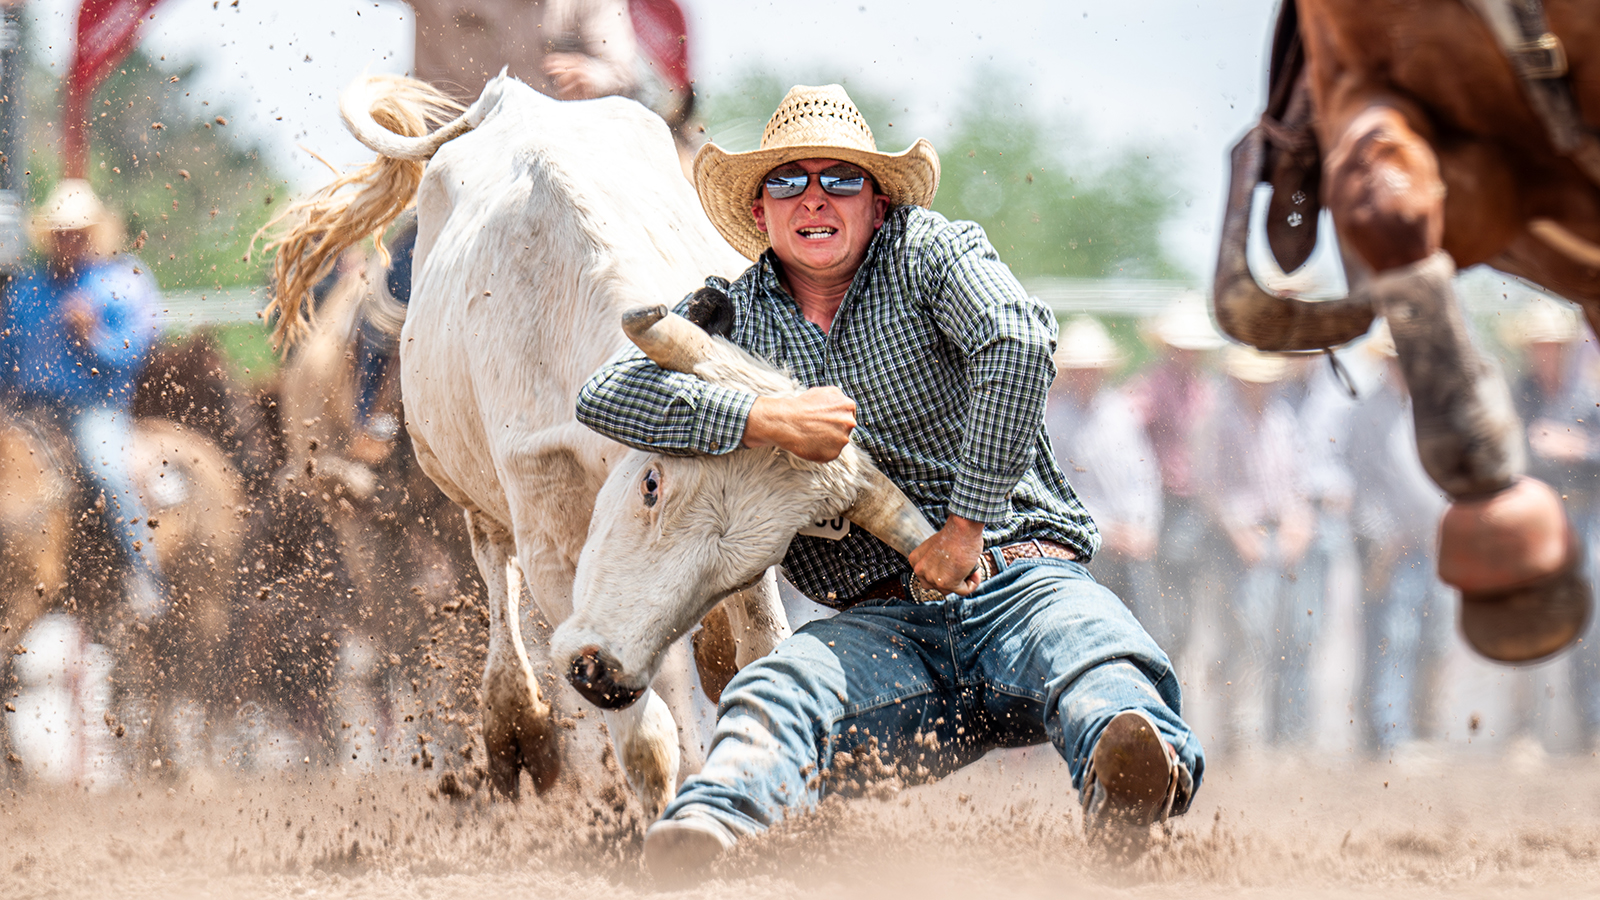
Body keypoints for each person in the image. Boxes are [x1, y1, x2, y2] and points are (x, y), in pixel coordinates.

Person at [575, 84, 1204, 881]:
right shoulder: (732, 313)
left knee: (1093, 653)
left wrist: (967, 526)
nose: (813, 198)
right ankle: (707, 823)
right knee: (779, 688)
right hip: (880, 633)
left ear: (874, 202)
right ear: (762, 211)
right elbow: (606, 396)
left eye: (839, 179)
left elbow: (1015, 342)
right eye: (788, 182)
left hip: (1017, 575)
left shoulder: (928, 252)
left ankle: (1127, 783)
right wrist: (766, 420)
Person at [0, 179, 164, 618]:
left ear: (93, 235)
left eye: (76, 231)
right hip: (26, 411)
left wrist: (94, 335)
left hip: (94, 408)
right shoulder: (26, 290)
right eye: (60, 232)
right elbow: (6, 358)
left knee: (106, 470)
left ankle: (144, 577)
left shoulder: (123, 281)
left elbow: (141, 346)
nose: (67, 239)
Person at [1195, 345, 1315, 752]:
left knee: (1293, 633)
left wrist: (1300, 521)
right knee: (1247, 635)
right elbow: (1210, 485)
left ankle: (1285, 730)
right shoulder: (1219, 420)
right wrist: (1237, 531)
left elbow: (1299, 477)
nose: (1259, 386)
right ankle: (1240, 728)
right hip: (1239, 540)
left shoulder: (1282, 418)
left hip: (1283, 534)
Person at [1347, 322, 1451, 756]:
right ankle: (1390, 732)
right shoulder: (1370, 413)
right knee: (1395, 636)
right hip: (1396, 547)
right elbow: (1363, 484)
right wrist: (1385, 540)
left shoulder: (1431, 407)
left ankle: (1422, 729)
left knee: (1432, 638)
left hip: (1436, 544)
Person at [1044, 316, 1168, 647]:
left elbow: (1145, 475)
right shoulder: (1054, 419)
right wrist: (1108, 532)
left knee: (1147, 632)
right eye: (1080, 369)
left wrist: (1146, 527)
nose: (1087, 375)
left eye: (1092, 368)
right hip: (1091, 546)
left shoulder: (1120, 412)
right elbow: (1061, 489)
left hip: (1134, 540)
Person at [1126, 298, 1226, 662]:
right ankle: (1163, 651)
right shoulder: (1153, 385)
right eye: (1182, 348)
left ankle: (1177, 653)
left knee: (1188, 587)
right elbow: (1125, 427)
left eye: (1193, 349)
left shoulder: (1206, 390)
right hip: (1164, 499)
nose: (1188, 354)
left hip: (1199, 501)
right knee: (1168, 578)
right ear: (1169, 349)